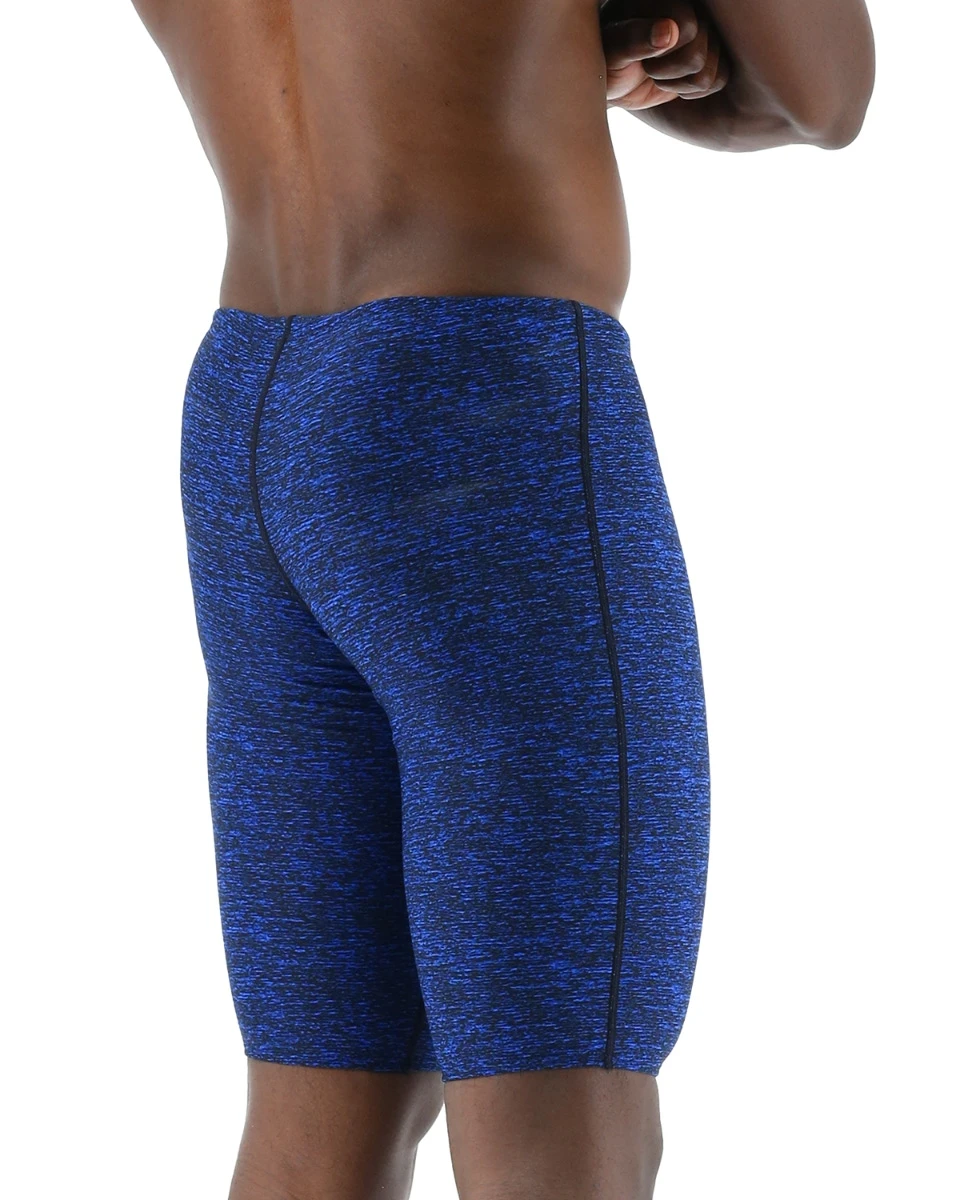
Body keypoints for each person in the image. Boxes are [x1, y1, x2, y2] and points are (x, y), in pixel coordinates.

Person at [130, 1, 874, 1196]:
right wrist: (669, 73)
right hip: (479, 404)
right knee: (567, 1097)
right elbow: (824, 92)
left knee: (321, 1111)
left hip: (250, 419)